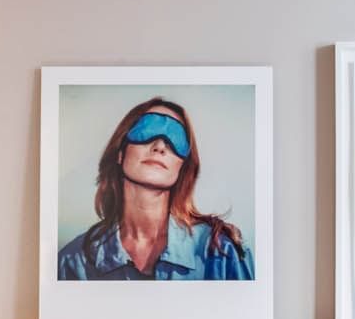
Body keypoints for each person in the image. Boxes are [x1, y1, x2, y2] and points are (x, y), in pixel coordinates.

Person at [57, 97, 255, 280]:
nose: (160, 146)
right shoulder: (73, 262)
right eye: (147, 130)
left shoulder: (222, 252)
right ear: (120, 154)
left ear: (182, 167)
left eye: (175, 138)